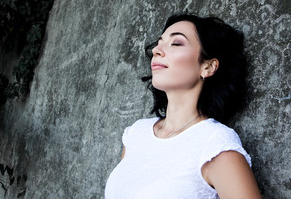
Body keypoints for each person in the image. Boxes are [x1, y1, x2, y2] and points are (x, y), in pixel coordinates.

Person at [105, 14, 262, 198]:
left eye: (176, 43)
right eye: (160, 42)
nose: (157, 50)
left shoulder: (214, 144)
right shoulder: (136, 133)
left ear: (208, 67)